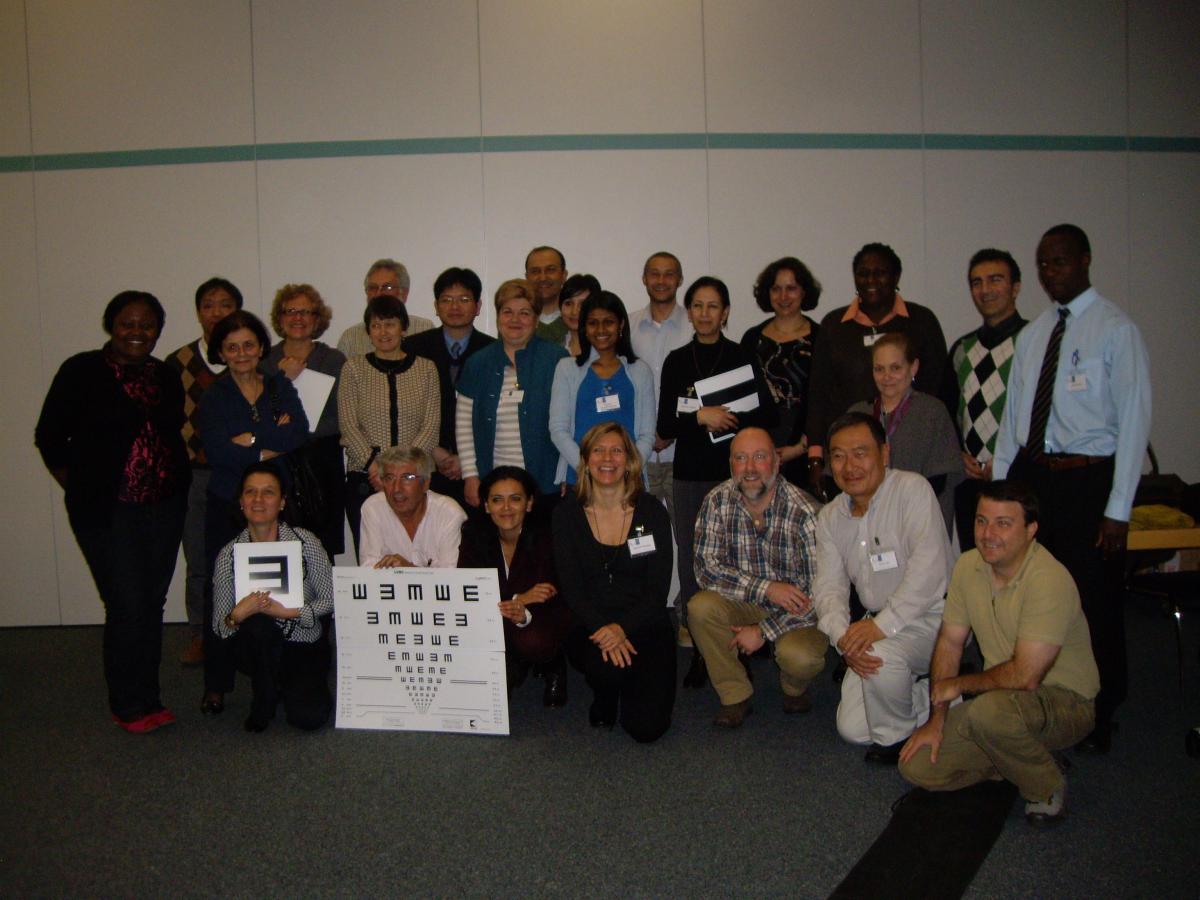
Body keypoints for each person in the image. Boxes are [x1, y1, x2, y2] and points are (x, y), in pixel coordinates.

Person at [993, 223, 1151, 753]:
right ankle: (1051, 690)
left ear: (1084, 259)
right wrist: (1001, 492)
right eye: (1042, 263)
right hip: (1038, 477)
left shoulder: (1115, 330)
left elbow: (1134, 422)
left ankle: (1103, 707)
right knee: (1041, 593)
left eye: (1058, 261)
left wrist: (1118, 510)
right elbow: (1014, 419)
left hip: (1090, 480)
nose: (1049, 272)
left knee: (1094, 599)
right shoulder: (1036, 333)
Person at [899, 481, 1099, 827]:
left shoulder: (1049, 579)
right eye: (981, 521)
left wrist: (959, 686)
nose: (988, 534)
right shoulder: (967, 566)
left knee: (988, 715)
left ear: (1031, 530)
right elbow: (949, 642)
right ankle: (1021, 754)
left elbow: (1026, 676)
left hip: (1067, 702)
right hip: (1004, 701)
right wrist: (937, 719)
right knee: (916, 767)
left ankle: (1045, 786)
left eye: (1003, 523)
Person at [36, 290, 190, 732]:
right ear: (111, 326)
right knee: (125, 601)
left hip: (164, 505)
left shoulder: (164, 375)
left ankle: (150, 696)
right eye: (128, 323)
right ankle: (128, 703)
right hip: (108, 511)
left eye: (147, 325)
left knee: (152, 601)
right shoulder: (81, 371)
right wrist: (83, 485)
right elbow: (49, 437)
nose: (137, 332)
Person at [811, 412, 952, 764]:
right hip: (876, 626)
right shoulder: (830, 517)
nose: (849, 466)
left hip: (932, 620)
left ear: (884, 454)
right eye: (839, 456)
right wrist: (843, 637)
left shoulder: (911, 490)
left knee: (880, 657)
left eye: (861, 453)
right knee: (853, 729)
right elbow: (828, 588)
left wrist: (876, 629)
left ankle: (895, 741)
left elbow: (929, 574)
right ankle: (941, 696)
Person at [658, 277, 775, 688]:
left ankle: (739, 643)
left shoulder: (743, 357)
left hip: (735, 477)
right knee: (692, 559)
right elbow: (664, 424)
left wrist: (731, 422)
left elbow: (765, 419)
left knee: (736, 558)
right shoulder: (676, 360)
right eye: (698, 306)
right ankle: (704, 651)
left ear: (725, 313)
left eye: (714, 306)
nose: (705, 313)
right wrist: (699, 417)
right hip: (689, 474)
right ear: (689, 312)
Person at [690, 427, 826, 727]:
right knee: (700, 607)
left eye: (760, 457)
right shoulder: (717, 501)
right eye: (740, 458)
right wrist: (767, 589)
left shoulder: (806, 513)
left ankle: (794, 688)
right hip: (746, 600)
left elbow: (818, 597)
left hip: (797, 610)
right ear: (731, 465)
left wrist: (762, 631)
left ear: (777, 462)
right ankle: (734, 694)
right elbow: (706, 569)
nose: (750, 468)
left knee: (800, 657)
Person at [552, 423, 676, 742]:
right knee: (608, 669)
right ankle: (605, 695)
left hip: (645, 621)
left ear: (630, 460)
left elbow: (657, 590)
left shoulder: (652, 513)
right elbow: (572, 590)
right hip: (589, 623)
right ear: (586, 460)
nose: (608, 458)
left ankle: (631, 681)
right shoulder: (566, 514)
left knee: (647, 729)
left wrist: (622, 628)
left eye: (617, 450)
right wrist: (605, 630)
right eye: (598, 450)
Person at [806, 243, 948, 498]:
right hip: (849, 457)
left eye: (880, 272)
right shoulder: (834, 326)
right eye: (863, 273)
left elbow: (940, 387)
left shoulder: (921, 321)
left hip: (912, 451)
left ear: (896, 277)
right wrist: (817, 458)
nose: (871, 280)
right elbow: (818, 395)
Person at [207, 463, 335, 733]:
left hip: (302, 642)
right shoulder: (228, 555)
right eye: (250, 492)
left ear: (282, 502)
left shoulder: (306, 542)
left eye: (268, 492)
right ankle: (264, 698)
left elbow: (331, 599)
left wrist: (292, 612)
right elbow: (220, 626)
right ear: (241, 502)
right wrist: (236, 616)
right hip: (254, 648)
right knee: (258, 626)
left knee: (309, 718)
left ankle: (279, 685)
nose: (258, 500)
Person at [198, 309, 309, 582]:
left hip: (278, 502)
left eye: (248, 345)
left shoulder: (278, 386)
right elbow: (217, 452)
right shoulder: (214, 395)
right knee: (227, 580)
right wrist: (270, 444)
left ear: (260, 348)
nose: (241, 353)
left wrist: (253, 440)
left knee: (282, 581)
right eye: (232, 348)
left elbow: (297, 434)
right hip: (228, 500)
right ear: (221, 354)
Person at [164, 276, 242, 664]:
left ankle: (243, 629)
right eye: (208, 305)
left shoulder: (248, 358)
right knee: (199, 558)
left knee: (244, 556)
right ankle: (200, 634)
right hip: (195, 475)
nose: (217, 312)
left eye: (225, 304)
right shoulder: (178, 362)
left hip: (243, 476)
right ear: (198, 312)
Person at [457, 466, 571, 706]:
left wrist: (523, 610)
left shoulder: (547, 536)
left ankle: (554, 664)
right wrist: (520, 598)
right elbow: (468, 591)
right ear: (486, 505)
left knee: (534, 642)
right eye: (497, 500)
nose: (506, 508)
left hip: (542, 618)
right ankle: (516, 663)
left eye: (515, 499)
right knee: (488, 691)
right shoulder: (473, 537)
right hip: (493, 620)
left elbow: (548, 594)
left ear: (529, 503)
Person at [337, 295, 440, 554]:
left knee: (417, 553)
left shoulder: (426, 369)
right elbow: (349, 425)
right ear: (368, 332)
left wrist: (405, 474)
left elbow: (430, 425)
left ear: (403, 328)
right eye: (376, 325)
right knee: (373, 558)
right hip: (366, 479)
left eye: (390, 324)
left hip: (416, 483)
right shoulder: (353, 369)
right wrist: (378, 469)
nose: (383, 332)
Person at [940, 249, 1027, 550]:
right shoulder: (962, 349)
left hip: (1020, 479)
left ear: (1015, 287)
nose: (985, 290)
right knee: (976, 567)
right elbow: (948, 414)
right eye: (976, 282)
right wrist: (957, 454)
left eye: (995, 280)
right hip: (971, 482)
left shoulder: (1033, 342)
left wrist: (1006, 459)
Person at [456, 279, 569, 510]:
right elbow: (464, 425)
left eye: (524, 313)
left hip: (547, 481)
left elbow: (570, 423)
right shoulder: (477, 363)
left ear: (536, 320)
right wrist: (470, 475)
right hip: (494, 483)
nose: (515, 320)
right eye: (507, 312)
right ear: (498, 318)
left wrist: (569, 471)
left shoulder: (557, 359)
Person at [262, 283, 347, 559]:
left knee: (321, 551)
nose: (298, 318)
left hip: (321, 465)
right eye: (290, 311)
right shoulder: (265, 361)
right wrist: (283, 379)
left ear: (317, 319)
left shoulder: (333, 360)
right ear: (280, 317)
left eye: (306, 312)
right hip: (278, 463)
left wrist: (295, 431)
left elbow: (342, 417)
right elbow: (259, 415)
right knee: (279, 546)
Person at [849, 333, 962, 535]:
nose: (886, 377)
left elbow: (941, 479)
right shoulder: (858, 414)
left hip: (919, 521)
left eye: (895, 368)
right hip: (868, 523)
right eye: (879, 369)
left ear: (914, 367)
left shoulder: (932, 412)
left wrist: (898, 508)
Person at [404, 267, 496, 507]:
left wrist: (465, 459)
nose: (455, 307)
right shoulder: (413, 348)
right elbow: (407, 408)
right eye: (447, 300)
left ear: (478, 306)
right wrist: (436, 451)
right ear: (436, 306)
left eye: (464, 299)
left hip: (480, 467)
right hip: (425, 463)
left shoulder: (493, 351)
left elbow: (495, 415)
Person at [549, 291, 655, 486]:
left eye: (608, 322)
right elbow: (558, 429)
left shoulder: (640, 371)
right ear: (584, 328)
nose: (600, 329)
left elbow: (647, 435)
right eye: (592, 323)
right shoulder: (567, 369)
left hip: (628, 479)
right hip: (580, 478)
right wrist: (587, 470)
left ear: (621, 324)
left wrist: (627, 470)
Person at [740, 256, 822, 486]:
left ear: (804, 292)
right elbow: (744, 399)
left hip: (807, 451)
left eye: (791, 289)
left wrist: (799, 448)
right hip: (757, 454)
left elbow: (825, 399)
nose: (783, 297)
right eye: (776, 289)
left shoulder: (821, 338)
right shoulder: (751, 339)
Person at [358, 446, 466, 569]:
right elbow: (369, 570)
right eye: (389, 478)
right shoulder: (373, 508)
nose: (396, 489)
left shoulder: (449, 513)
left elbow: (451, 579)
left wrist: (408, 570)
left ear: (425, 483)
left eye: (407, 478)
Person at [336, 258, 433, 357]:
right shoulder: (350, 339)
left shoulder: (424, 329)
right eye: (373, 288)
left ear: (404, 293)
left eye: (387, 287)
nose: (379, 294)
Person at [527, 246, 569, 343]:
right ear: (527, 277)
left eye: (550, 270)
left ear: (564, 275)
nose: (543, 278)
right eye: (535, 271)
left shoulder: (578, 320)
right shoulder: (516, 323)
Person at [558, 272, 601, 359]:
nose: (574, 312)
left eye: (583, 304)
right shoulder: (554, 349)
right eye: (568, 303)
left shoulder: (607, 349)